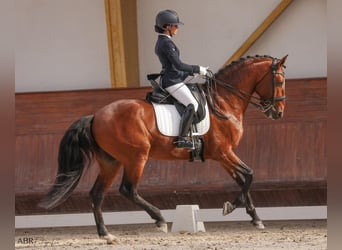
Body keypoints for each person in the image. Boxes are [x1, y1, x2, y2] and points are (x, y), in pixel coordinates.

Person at [154, 9, 208, 149]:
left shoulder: (163, 41)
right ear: (167, 27)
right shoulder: (166, 43)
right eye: (175, 25)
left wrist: (190, 74)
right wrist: (197, 68)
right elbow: (178, 64)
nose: (177, 28)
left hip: (173, 77)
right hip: (171, 82)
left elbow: (174, 67)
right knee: (193, 105)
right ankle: (182, 139)